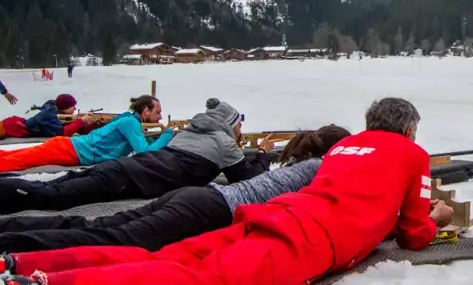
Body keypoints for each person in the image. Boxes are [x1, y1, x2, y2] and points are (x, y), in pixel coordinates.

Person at [0, 97, 455, 285]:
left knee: (162, 255)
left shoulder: (342, 148)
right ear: (410, 130)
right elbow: (415, 234)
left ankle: (25, 266)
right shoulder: (411, 155)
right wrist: (436, 217)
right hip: (307, 242)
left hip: (271, 214)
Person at [0, 125, 351, 253]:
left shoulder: (292, 163)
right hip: (205, 209)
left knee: (97, 227)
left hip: (193, 198)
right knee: (110, 240)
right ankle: (10, 241)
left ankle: (10, 229)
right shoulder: (318, 170)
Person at [0, 98, 273, 214]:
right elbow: (246, 179)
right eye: (239, 124)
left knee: (54, 186)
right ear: (231, 124)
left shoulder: (190, 132)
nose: (240, 129)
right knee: (52, 196)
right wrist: (262, 154)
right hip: (130, 177)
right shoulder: (224, 141)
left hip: (125, 168)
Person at [0, 96, 171, 174]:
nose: (160, 116)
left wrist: (156, 136)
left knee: (16, 156)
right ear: (146, 111)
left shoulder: (132, 122)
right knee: (18, 161)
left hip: (70, 148)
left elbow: (141, 143)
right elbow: (144, 153)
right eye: (158, 112)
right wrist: (166, 135)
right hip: (69, 150)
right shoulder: (131, 123)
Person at [0, 95, 105, 141]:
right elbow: (61, 132)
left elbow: (67, 124)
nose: (75, 109)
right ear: (64, 107)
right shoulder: (49, 115)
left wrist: (89, 125)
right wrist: (81, 121)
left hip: (13, 123)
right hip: (10, 127)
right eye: (72, 106)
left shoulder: (54, 107)